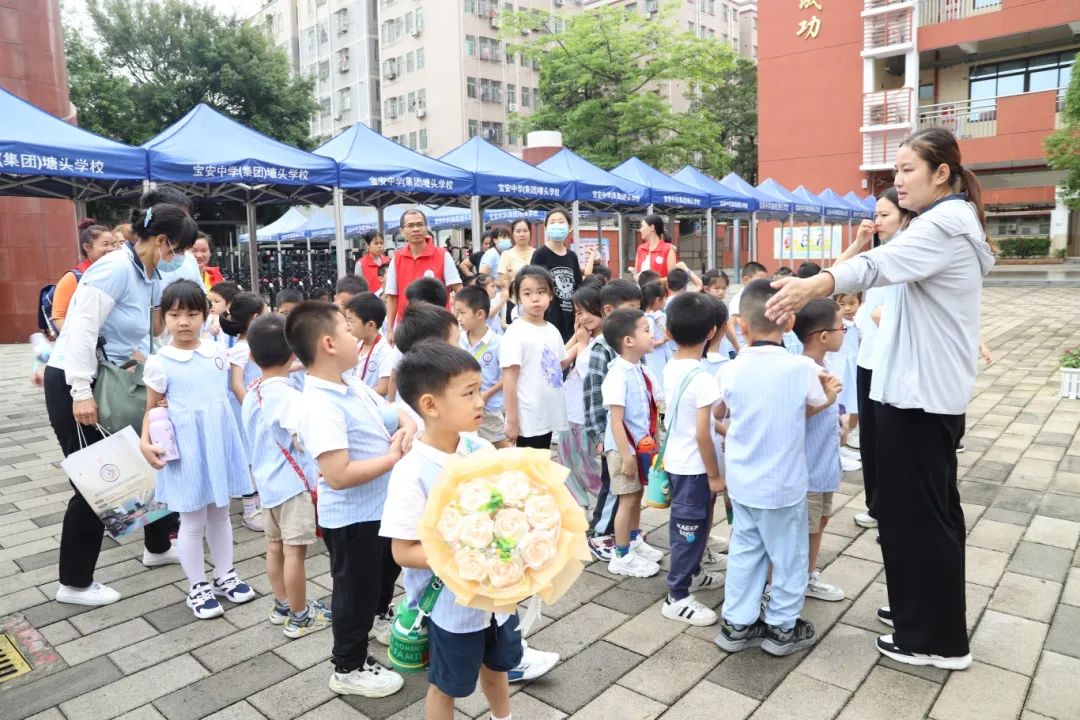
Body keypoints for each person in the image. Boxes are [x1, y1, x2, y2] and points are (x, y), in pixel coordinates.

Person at [764, 127, 994, 670]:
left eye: (908, 170)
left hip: (919, 398)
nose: (898, 181)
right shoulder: (941, 223)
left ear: (942, 173)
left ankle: (936, 639)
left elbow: (875, 266)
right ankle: (921, 610)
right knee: (916, 513)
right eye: (895, 171)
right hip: (913, 392)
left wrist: (816, 283)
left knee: (922, 516)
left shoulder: (945, 224)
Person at [43, 203, 197, 606]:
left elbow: (142, 335)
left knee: (148, 460)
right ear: (162, 241)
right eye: (178, 249)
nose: (180, 259)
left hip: (113, 379)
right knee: (95, 480)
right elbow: (79, 330)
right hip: (79, 382)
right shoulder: (114, 269)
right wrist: (80, 392)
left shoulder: (145, 272)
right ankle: (74, 583)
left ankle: (158, 546)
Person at [381, 342, 523, 720]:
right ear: (430, 405)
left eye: (479, 390)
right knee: (447, 685)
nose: (481, 401)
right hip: (451, 610)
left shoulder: (481, 450)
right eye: (469, 393)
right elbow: (403, 551)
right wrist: (469, 550)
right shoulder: (412, 472)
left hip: (498, 600)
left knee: (498, 667)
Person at [287, 301, 416, 697]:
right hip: (352, 519)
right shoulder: (320, 404)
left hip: (380, 508)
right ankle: (348, 667)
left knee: (378, 580)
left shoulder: (350, 383)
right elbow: (338, 475)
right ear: (328, 343)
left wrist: (408, 425)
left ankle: (372, 626)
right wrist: (393, 457)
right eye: (346, 330)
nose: (353, 335)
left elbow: (393, 414)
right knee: (353, 594)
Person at [713, 280, 838, 657]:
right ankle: (782, 627)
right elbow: (812, 405)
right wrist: (830, 396)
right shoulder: (800, 367)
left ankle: (737, 623)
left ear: (742, 327)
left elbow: (722, 412)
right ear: (789, 324)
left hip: (743, 484)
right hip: (783, 487)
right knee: (789, 559)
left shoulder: (731, 370)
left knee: (745, 553)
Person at [140, 280, 256, 619]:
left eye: (192, 313)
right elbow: (152, 408)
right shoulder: (160, 362)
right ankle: (197, 586)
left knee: (220, 514)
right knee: (191, 521)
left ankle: (224, 574)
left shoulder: (218, 351)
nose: (184, 322)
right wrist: (145, 442)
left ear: (206, 315)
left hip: (218, 442)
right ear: (164, 317)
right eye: (175, 314)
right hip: (186, 447)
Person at [242, 314, 331, 637]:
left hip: (266, 485)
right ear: (293, 352)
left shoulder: (254, 391)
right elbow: (301, 436)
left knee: (274, 547)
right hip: (293, 487)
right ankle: (300, 615)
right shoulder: (290, 398)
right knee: (296, 553)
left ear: (252, 356)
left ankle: (282, 604)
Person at [845, 188, 912, 529]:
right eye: (877, 214)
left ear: (904, 216)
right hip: (867, 359)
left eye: (885, 215)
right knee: (870, 440)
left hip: (890, 363)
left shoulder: (905, 254)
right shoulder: (882, 252)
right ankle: (877, 507)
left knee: (888, 442)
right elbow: (838, 277)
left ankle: (891, 509)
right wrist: (859, 243)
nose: (877, 221)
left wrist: (889, 316)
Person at [660, 293, 726, 627]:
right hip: (694, 467)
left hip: (676, 461)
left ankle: (694, 572)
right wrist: (715, 476)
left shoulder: (672, 367)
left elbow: (690, 418)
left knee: (695, 526)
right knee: (688, 530)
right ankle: (677, 595)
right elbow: (702, 433)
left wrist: (721, 425)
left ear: (668, 332)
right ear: (712, 332)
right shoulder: (703, 378)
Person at [601, 308, 665, 579]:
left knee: (637, 495)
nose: (653, 335)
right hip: (622, 449)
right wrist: (626, 455)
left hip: (640, 447)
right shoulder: (617, 374)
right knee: (627, 499)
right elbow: (616, 421)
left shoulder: (640, 369)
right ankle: (622, 554)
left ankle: (634, 539)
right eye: (646, 330)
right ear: (628, 341)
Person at [583, 280, 644, 560]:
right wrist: (597, 435)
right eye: (631, 309)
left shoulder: (628, 347)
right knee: (612, 488)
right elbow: (593, 395)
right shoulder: (601, 349)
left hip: (629, 434)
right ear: (609, 310)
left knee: (624, 488)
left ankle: (622, 535)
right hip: (610, 434)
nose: (637, 316)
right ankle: (599, 534)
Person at [793, 298, 847, 603]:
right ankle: (786, 584)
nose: (844, 331)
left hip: (825, 466)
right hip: (808, 471)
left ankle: (808, 575)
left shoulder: (824, 365)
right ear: (823, 336)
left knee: (820, 522)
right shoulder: (803, 370)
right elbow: (794, 415)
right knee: (803, 529)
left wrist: (839, 419)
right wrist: (827, 401)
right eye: (841, 326)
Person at [500, 266, 571, 449]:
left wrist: (580, 341)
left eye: (541, 292)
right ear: (518, 298)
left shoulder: (551, 330)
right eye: (527, 293)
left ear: (551, 295)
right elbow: (509, 379)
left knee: (542, 470)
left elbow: (560, 364)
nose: (535, 298)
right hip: (527, 420)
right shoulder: (516, 332)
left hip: (547, 415)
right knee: (527, 474)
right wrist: (512, 420)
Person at [222, 292, 269, 532]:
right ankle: (251, 511)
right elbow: (236, 383)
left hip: (254, 407)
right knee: (248, 460)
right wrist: (250, 408)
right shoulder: (241, 349)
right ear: (254, 318)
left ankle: (259, 504)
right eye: (266, 311)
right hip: (244, 411)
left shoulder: (255, 345)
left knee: (255, 456)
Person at [556, 285, 604, 509]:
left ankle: (608, 505)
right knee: (566, 464)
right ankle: (580, 509)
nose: (584, 317)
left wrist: (582, 342)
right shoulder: (587, 337)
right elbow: (560, 361)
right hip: (568, 411)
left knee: (585, 465)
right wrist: (577, 337)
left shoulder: (603, 342)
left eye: (588, 310)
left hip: (585, 415)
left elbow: (587, 370)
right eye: (578, 312)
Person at [385, 208, 463, 337]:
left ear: (426, 228)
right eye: (410, 226)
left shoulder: (443, 255)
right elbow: (392, 296)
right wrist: (389, 330)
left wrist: (457, 321)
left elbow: (459, 289)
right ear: (402, 231)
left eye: (420, 224)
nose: (416, 229)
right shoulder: (397, 257)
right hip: (407, 329)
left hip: (438, 327)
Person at [454, 285, 508, 448]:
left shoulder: (498, 343)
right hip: (463, 406)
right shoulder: (458, 340)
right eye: (456, 313)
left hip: (490, 408)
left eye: (462, 313)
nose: (458, 318)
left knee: (499, 446)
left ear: (479, 314)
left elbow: (508, 376)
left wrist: (486, 394)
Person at [48, 220, 122, 335]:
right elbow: (59, 317)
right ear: (87, 247)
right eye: (105, 244)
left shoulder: (120, 274)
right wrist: (76, 341)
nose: (111, 249)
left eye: (114, 244)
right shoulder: (73, 278)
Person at [530, 209, 584, 342]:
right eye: (552, 222)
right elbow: (534, 286)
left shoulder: (572, 256)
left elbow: (578, 286)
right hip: (548, 317)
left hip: (570, 317)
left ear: (569, 227)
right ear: (546, 227)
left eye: (561, 222)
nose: (557, 225)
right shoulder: (540, 255)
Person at [831, 291, 863, 473]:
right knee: (837, 409)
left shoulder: (859, 322)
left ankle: (841, 447)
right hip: (838, 368)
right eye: (842, 304)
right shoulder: (835, 324)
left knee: (851, 405)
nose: (848, 308)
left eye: (852, 303)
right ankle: (835, 452)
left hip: (852, 367)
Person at [344, 292, 393, 397]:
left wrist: (358, 396)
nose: (348, 327)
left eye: (351, 321)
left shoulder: (385, 352)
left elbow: (383, 388)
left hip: (371, 407)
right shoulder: (357, 345)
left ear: (370, 325)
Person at [729, 262, 768, 349]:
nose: (762, 285)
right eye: (759, 281)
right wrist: (737, 347)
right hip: (742, 348)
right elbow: (731, 324)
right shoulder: (739, 299)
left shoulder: (755, 296)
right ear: (746, 279)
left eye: (764, 281)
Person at [641, 282, 671, 389]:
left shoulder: (650, 317)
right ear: (658, 300)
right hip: (654, 359)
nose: (665, 302)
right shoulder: (648, 319)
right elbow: (649, 342)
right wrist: (663, 341)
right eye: (664, 299)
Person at [496, 219, 535, 295]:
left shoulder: (537, 253)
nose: (522, 234)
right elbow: (501, 281)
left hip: (533, 298)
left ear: (530, 233)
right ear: (513, 234)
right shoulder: (506, 255)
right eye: (518, 231)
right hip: (514, 299)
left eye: (525, 231)